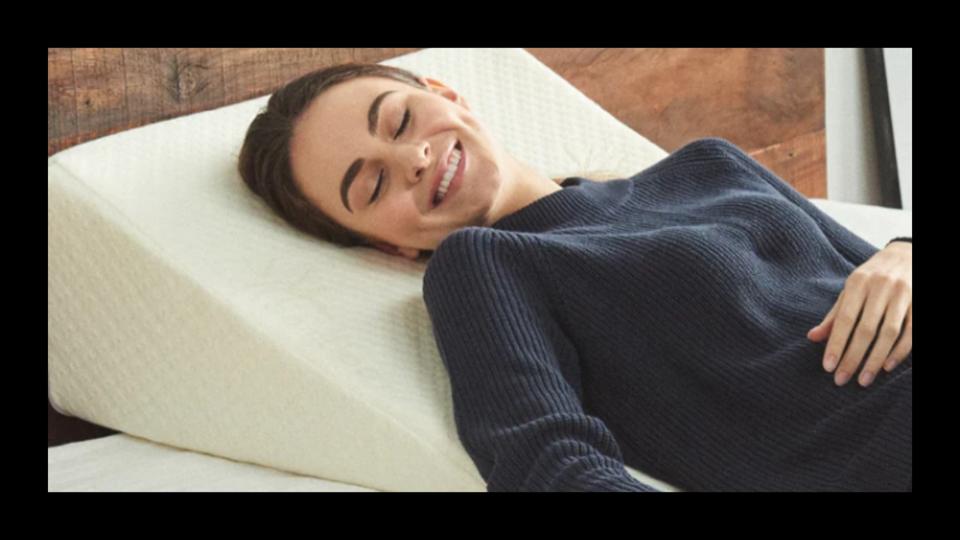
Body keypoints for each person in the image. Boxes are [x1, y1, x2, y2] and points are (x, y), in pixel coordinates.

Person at [238, 63, 912, 492]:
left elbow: (873, 277)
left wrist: (905, 249)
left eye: (400, 121)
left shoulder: (711, 163)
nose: (411, 157)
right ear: (382, 246)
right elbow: (544, 460)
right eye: (373, 184)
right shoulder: (485, 266)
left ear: (445, 93)